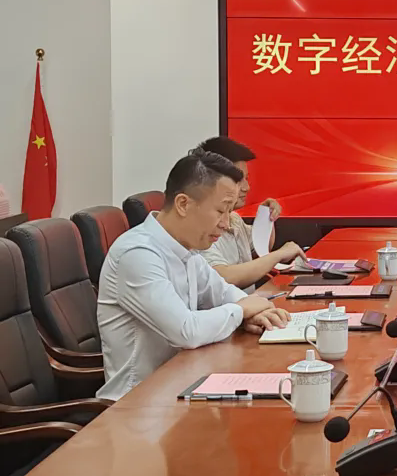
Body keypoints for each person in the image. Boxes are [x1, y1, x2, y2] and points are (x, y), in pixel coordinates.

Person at [97, 150, 290, 400]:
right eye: (220, 211)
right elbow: (186, 331)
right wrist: (242, 311)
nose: (226, 223)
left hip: (185, 381)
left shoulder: (186, 248)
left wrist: (255, 313)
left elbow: (222, 292)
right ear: (183, 204)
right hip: (138, 404)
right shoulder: (137, 254)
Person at [196, 136, 306, 292]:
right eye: (238, 180)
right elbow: (223, 278)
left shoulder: (234, 219)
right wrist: (279, 254)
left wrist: (265, 219)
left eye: (246, 179)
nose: (246, 187)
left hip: (248, 303)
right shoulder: (201, 225)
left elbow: (259, 250)